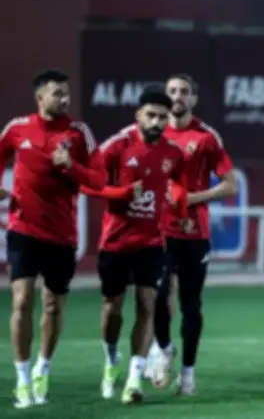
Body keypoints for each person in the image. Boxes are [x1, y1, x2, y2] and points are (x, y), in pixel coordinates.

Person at [3, 69, 104, 408]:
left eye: (66, 93)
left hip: (61, 234)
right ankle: (21, 378)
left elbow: (99, 179)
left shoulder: (78, 133)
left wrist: (71, 165)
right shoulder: (17, 128)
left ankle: (42, 368)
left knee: (52, 306)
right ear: (40, 98)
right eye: (58, 93)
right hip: (23, 230)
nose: (65, 99)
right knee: (21, 301)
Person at [83, 89, 189, 404]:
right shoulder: (117, 146)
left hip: (151, 241)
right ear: (138, 115)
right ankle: (111, 359)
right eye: (151, 115)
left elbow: (180, 183)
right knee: (112, 308)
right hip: (116, 241)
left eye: (162, 117)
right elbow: (87, 182)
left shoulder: (173, 153)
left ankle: (133, 379)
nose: (157, 122)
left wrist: (181, 211)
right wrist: (121, 193)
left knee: (147, 304)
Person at [149, 74, 237, 395]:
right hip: (159, 230)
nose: (177, 96)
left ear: (194, 98)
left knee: (191, 304)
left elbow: (230, 185)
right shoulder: (153, 132)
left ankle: (188, 371)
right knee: (158, 295)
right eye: (172, 90)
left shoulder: (206, 137)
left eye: (184, 91)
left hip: (194, 231)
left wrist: (192, 198)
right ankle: (163, 348)